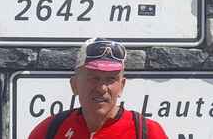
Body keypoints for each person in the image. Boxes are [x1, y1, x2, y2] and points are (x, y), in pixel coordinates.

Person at [27, 38, 168, 139]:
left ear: (122, 86)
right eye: (93, 78)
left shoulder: (147, 132)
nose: (101, 88)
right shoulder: (49, 130)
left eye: (111, 79)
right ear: (74, 85)